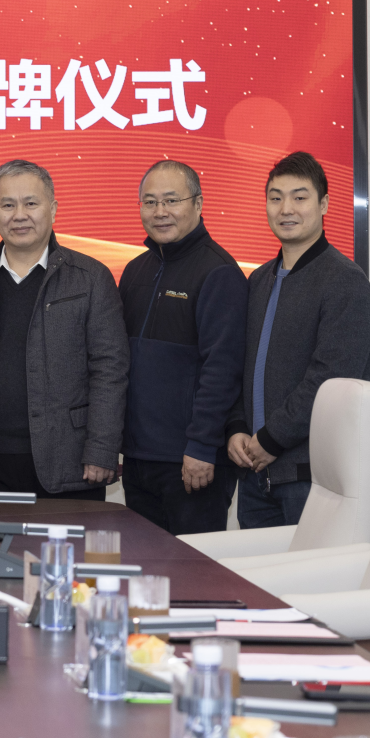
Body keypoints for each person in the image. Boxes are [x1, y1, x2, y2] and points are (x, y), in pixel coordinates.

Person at [0, 160, 126, 499]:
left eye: (31, 203)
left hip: (71, 461)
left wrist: (102, 448)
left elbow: (110, 369)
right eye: (7, 205)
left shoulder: (90, 278)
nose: (19, 215)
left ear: (53, 209)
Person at [225, 151, 370, 528]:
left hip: (311, 478)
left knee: (315, 568)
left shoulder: (346, 282)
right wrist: (236, 427)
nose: (286, 209)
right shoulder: (258, 280)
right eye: (275, 198)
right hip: (255, 476)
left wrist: (271, 440)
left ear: (323, 204)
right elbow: (239, 366)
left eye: (299, 197)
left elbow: (330, 381)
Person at [117, 160, 248, 534]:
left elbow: (223, 369)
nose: (160, 212)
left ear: (198, 204)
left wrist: (202, 447)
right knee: (144, 563)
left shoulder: (219, 272)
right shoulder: (135, 271)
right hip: (139, 459)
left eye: (171, 200)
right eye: (150, 202)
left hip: (192, 461)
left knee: (191, 566)